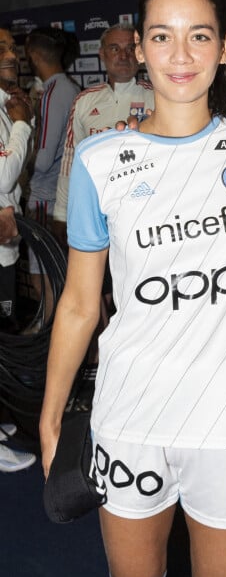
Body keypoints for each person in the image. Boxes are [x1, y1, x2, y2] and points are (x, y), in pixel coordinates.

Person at [39, 0, 226, 577]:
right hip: (133, 414)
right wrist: (53, 415)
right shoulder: (100, 161)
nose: (181, 54)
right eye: (162, 36)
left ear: (223, 47)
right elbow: (82, 303)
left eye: (199, 35)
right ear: (138, 49)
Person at [52, 23, 155, 245]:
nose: (123, 56)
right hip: (97, 212)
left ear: (140, 53)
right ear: (102, 53)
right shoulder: (84, 101)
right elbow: (71, 160)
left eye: (130, 48)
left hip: (147, 210)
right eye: (115, 48)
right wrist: (61, 214)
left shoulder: (158, 97)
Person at [0, 27, 37, 472]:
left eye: (11, 47)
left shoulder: (7, 102)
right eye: (2, 49)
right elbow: (4, 177)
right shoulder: (13, 109)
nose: (12, 54)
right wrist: (24, 121)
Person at [24, 27, 80, 315]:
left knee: (43, 279)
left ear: (33, 54)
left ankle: (49, 346)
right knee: (54, 276)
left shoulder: (54, 92)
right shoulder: (68, 88)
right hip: (60, 197)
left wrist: (16, 161)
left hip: (47, 199)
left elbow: (43, 159)